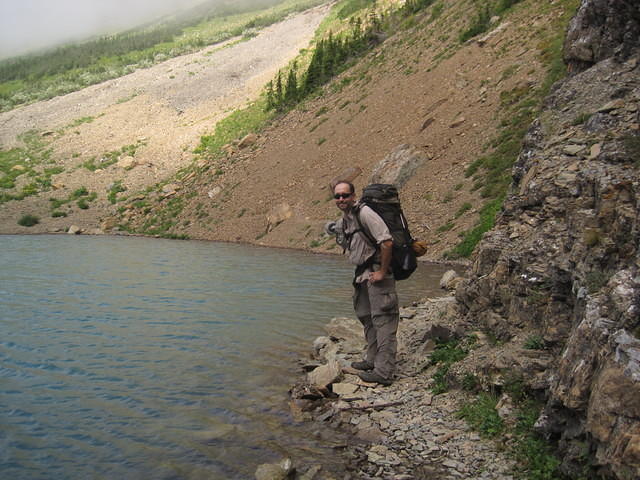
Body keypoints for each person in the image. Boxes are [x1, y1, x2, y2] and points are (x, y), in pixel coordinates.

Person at [331, 180, 399, 386]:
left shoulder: (365, 213)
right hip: (362, 276)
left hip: (378, 276)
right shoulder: (347, 218)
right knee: (367, 318)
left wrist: (382, 271)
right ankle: (372, 359)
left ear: (353, 195)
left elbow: (387, 242)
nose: (341, 199)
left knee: (383, 320)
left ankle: (384, 372)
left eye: (345, 195)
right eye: (337, 196)